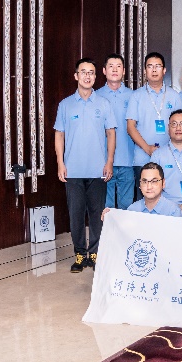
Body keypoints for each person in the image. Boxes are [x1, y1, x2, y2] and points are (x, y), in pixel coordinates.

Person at [55, 58, 116, 273]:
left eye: (91, 72)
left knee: (98, 215)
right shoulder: (65, 105)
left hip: (98, 170)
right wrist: (60, 163)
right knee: (76, 215)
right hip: (73, 171)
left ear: (95, 76)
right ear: (76, 76)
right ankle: (80, 254)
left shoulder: (104, 104)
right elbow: (59, 135)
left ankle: (96, 253)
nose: (87, 76)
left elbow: (111, 134)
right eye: (83, 72)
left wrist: (109, 162)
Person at [125, 52, 180, 196]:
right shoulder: (136, 96)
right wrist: (147, 149)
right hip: (142, 158)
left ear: (164, 70)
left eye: (158, 66)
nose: (154, 70)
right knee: (143, 201)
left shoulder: (174, 96)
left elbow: (180, 127)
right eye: (150, 66)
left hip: (169, 158)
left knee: (168, 200)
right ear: (145, 71)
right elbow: (130, 127)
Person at [97, 54, 135, 211]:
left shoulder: (133, 96)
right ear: (104, 71)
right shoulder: (96, 96)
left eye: (118, 66)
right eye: (111, 66)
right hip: (102, 162)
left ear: (124, 71)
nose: (114, 69)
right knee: (106, 209)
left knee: (127, 209)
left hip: (128, 160)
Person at [114, 162, 182, 218]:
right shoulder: (132, 210)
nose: (149, 187)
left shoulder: (173, 212)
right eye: (144, 182)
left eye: (154, 181)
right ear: (139, 185)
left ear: (163, 183)